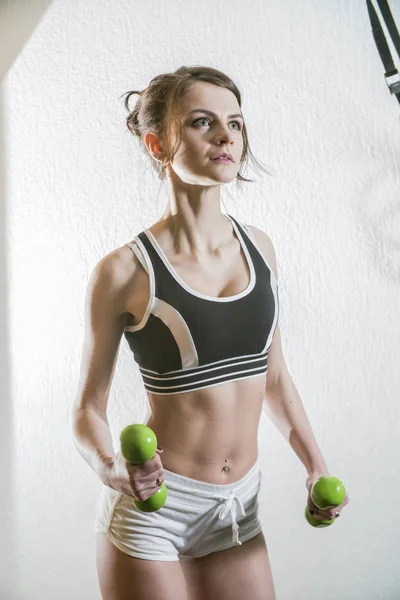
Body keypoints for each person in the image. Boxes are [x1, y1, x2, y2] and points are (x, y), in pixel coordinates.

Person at [71, 66, 349, 600]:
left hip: (238, 508)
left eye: (236, 124)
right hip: (155, 513)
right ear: (158, 144)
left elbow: (274, 378)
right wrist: (110, 467)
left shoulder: (260, 249)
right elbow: (87, 408)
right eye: (203, 122)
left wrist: (316, 468)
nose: (226, 136)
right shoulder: (124, 272)